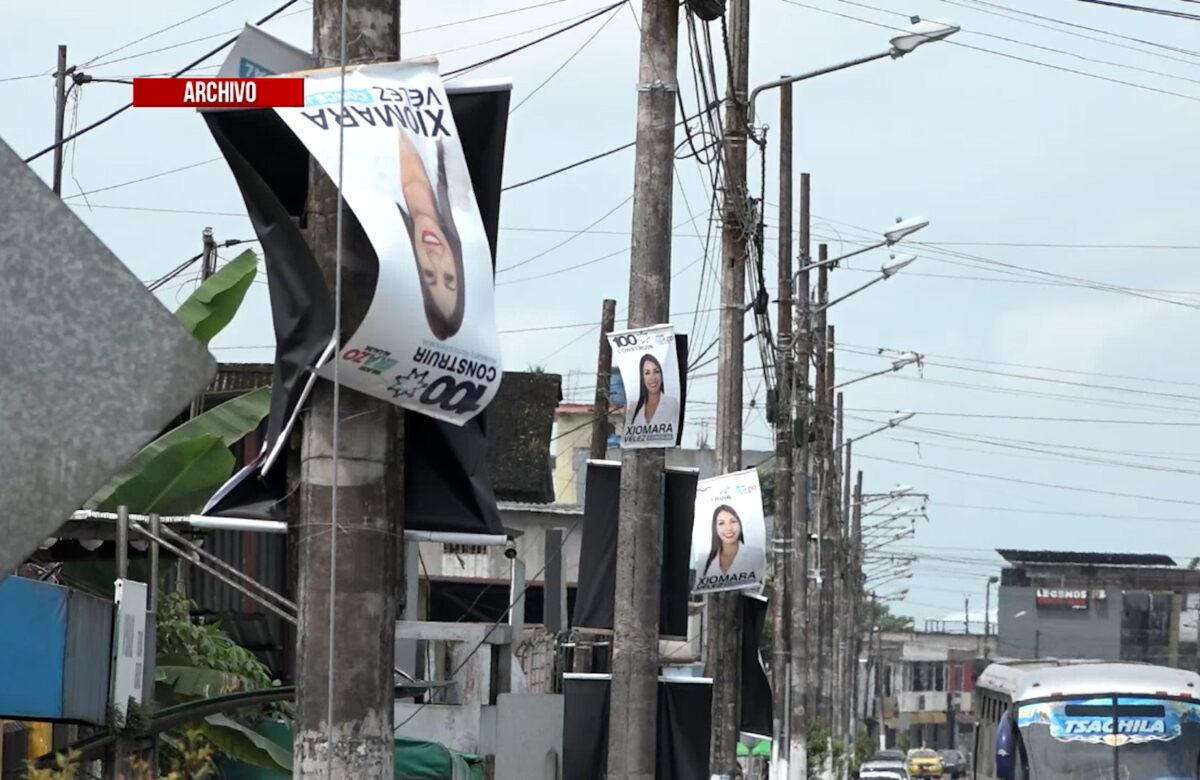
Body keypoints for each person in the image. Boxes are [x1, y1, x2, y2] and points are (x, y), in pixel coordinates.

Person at [397, 129, 465, 340]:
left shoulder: (366, 193)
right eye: (449, 277)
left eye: (429, 275)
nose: (434, 258)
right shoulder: (454, 171)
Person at [628, 353, 679, 429]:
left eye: (656, 371)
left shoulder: (672, 404)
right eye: (647, 373)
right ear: (642, 377)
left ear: (661, 375)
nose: (652, 378)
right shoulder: (633, 407)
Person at [702, 504, 745, 577]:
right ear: (715, 527)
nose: (728, 528)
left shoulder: (755, 554)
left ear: (739, 524)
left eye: (733, 521)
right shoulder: (703, 560)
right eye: (721, 523)